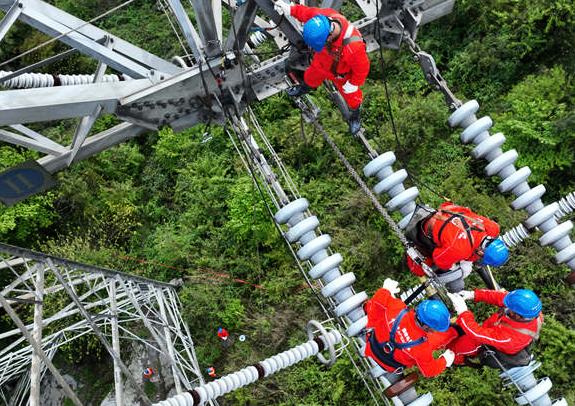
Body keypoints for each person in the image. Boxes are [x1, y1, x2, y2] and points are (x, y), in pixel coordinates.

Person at [274, 1, 370, 134]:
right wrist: (289, 9)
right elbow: (306, 13)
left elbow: (362, 68)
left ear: (329, 37)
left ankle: (355, 115)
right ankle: (303, 88)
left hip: (341, 74)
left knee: (352, 97)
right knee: (310, 77)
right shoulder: (323, 17)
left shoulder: (353, 47)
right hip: (321, 63)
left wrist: (353, 83)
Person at [364, 278, 457, 377]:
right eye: (433, 329)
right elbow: (429, 371)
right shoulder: (422, 349)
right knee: (438, 339)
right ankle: (455, 331)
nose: (433, 331)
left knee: (377, 312)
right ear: (425, 325)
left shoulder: (396, 307)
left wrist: (386, 289)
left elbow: (378, 298)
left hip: (371, 346)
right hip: (389, 366)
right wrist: (445, 360)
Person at [404, 202, 508, 277]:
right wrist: (452, 265)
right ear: (481, 252)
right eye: (481, 256)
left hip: (444, 212)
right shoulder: (461, 250)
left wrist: (469, 260)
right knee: (420, 270)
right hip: (424, 228)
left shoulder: (492, 228)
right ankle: (411, 249)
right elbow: (438, 259)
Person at [447, 289, 543, 368]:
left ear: (518, 316)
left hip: (489, 342)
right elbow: (502, 297)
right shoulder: (531, 312)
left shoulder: (510, 338)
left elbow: (477, 334)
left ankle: (456, 361)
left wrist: (463, 312)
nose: (507, 308)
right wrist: (475, 294)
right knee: (463, 331)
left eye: (510, 310)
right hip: (495, 327)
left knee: (456, 348)